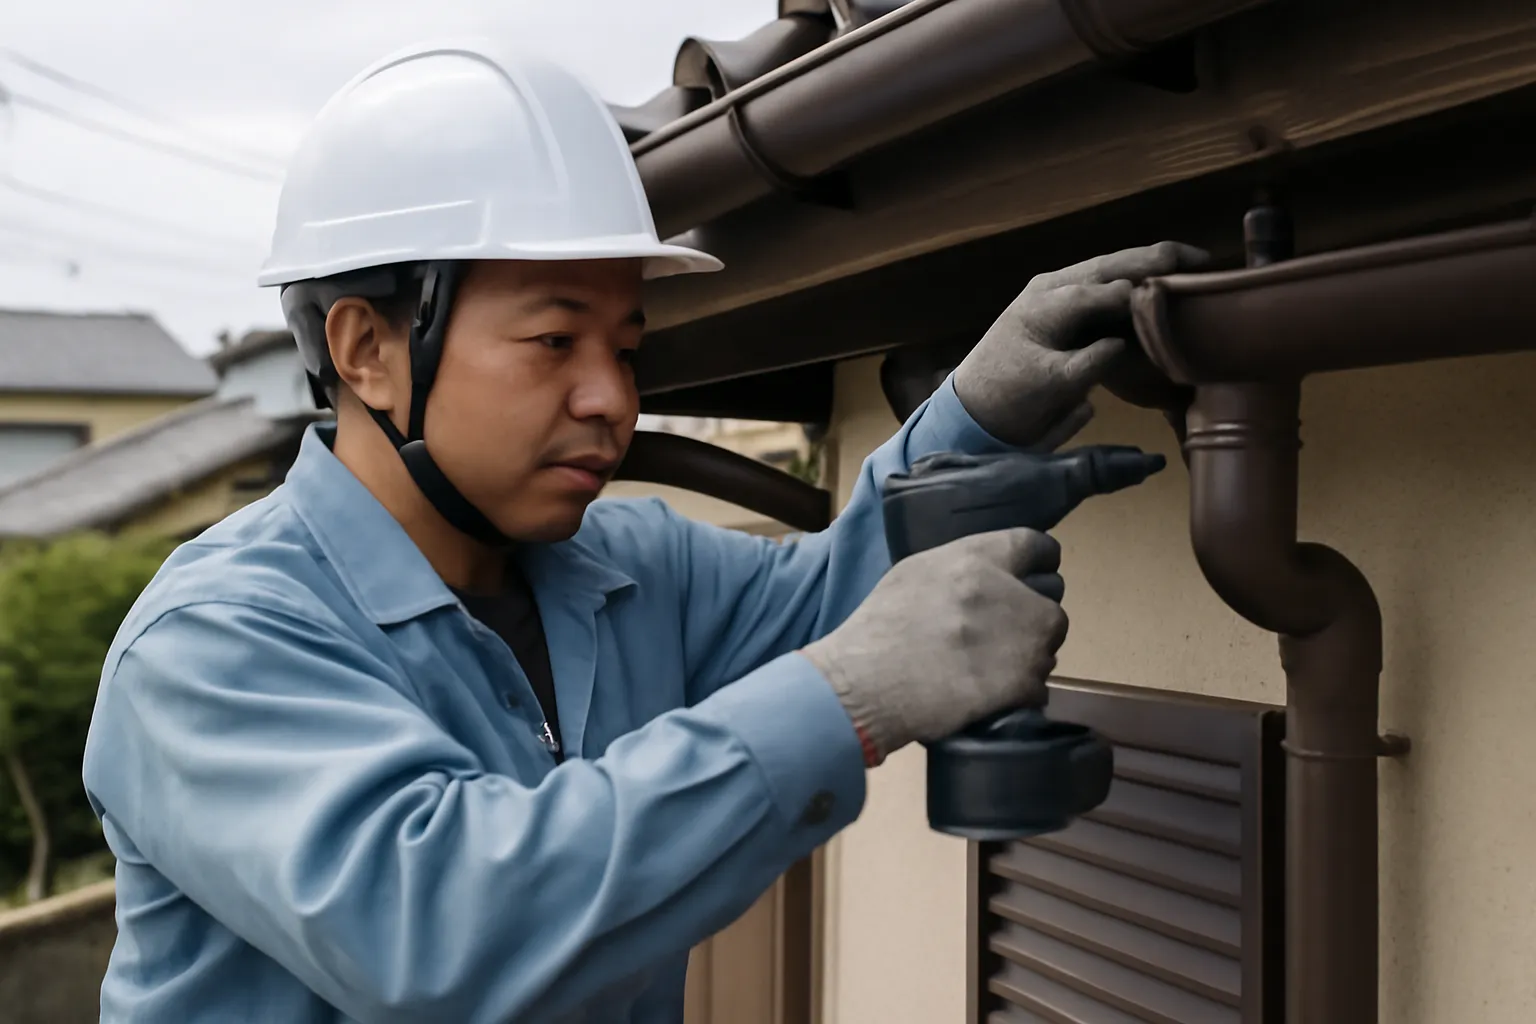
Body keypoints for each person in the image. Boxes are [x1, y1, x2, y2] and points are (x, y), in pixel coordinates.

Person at [81, 39, 1206, 1024]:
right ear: (367, 349)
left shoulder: (628, 571)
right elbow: (441, 929)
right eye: (554, 342)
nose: (612, 398)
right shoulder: (217, 641)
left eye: (625, 348)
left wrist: (977, 416)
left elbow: (849, 606)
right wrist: (847, 698)